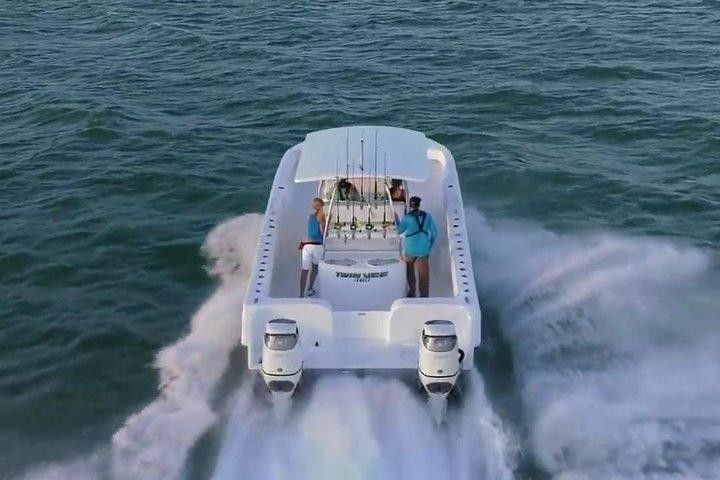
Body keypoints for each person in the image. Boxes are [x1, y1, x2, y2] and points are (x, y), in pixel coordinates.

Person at [395, 196, 437, 297]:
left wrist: (396, 219)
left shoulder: (407, 218)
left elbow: (399, 231)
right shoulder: (428, 216)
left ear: (410, 205)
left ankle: (412, 291)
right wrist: (430, 244)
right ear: (419, 205)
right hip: (424, 248)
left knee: (410, 270)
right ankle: (424, 295)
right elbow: (434, 232)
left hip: (410, 248)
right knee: (423, 273)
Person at [299, 197, 326, 297]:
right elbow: (324, 233)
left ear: (313, 207)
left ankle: (301, 294)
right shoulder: (322, 218)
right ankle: (310, 289)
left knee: (304, 270)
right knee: (314, 269)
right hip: (317, 246)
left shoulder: (309, 217)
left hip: (307, 246)